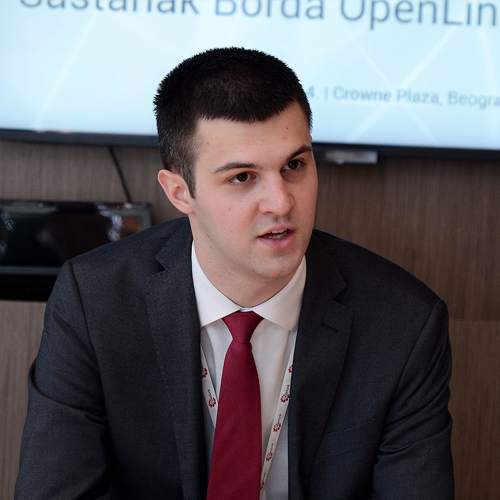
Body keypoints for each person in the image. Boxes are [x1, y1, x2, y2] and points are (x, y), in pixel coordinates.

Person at [15, 48, 454, 500]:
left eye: (294, 166)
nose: (281, 202)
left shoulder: (403, 325)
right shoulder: (95, 302)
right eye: (243, 177)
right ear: (180, 192)